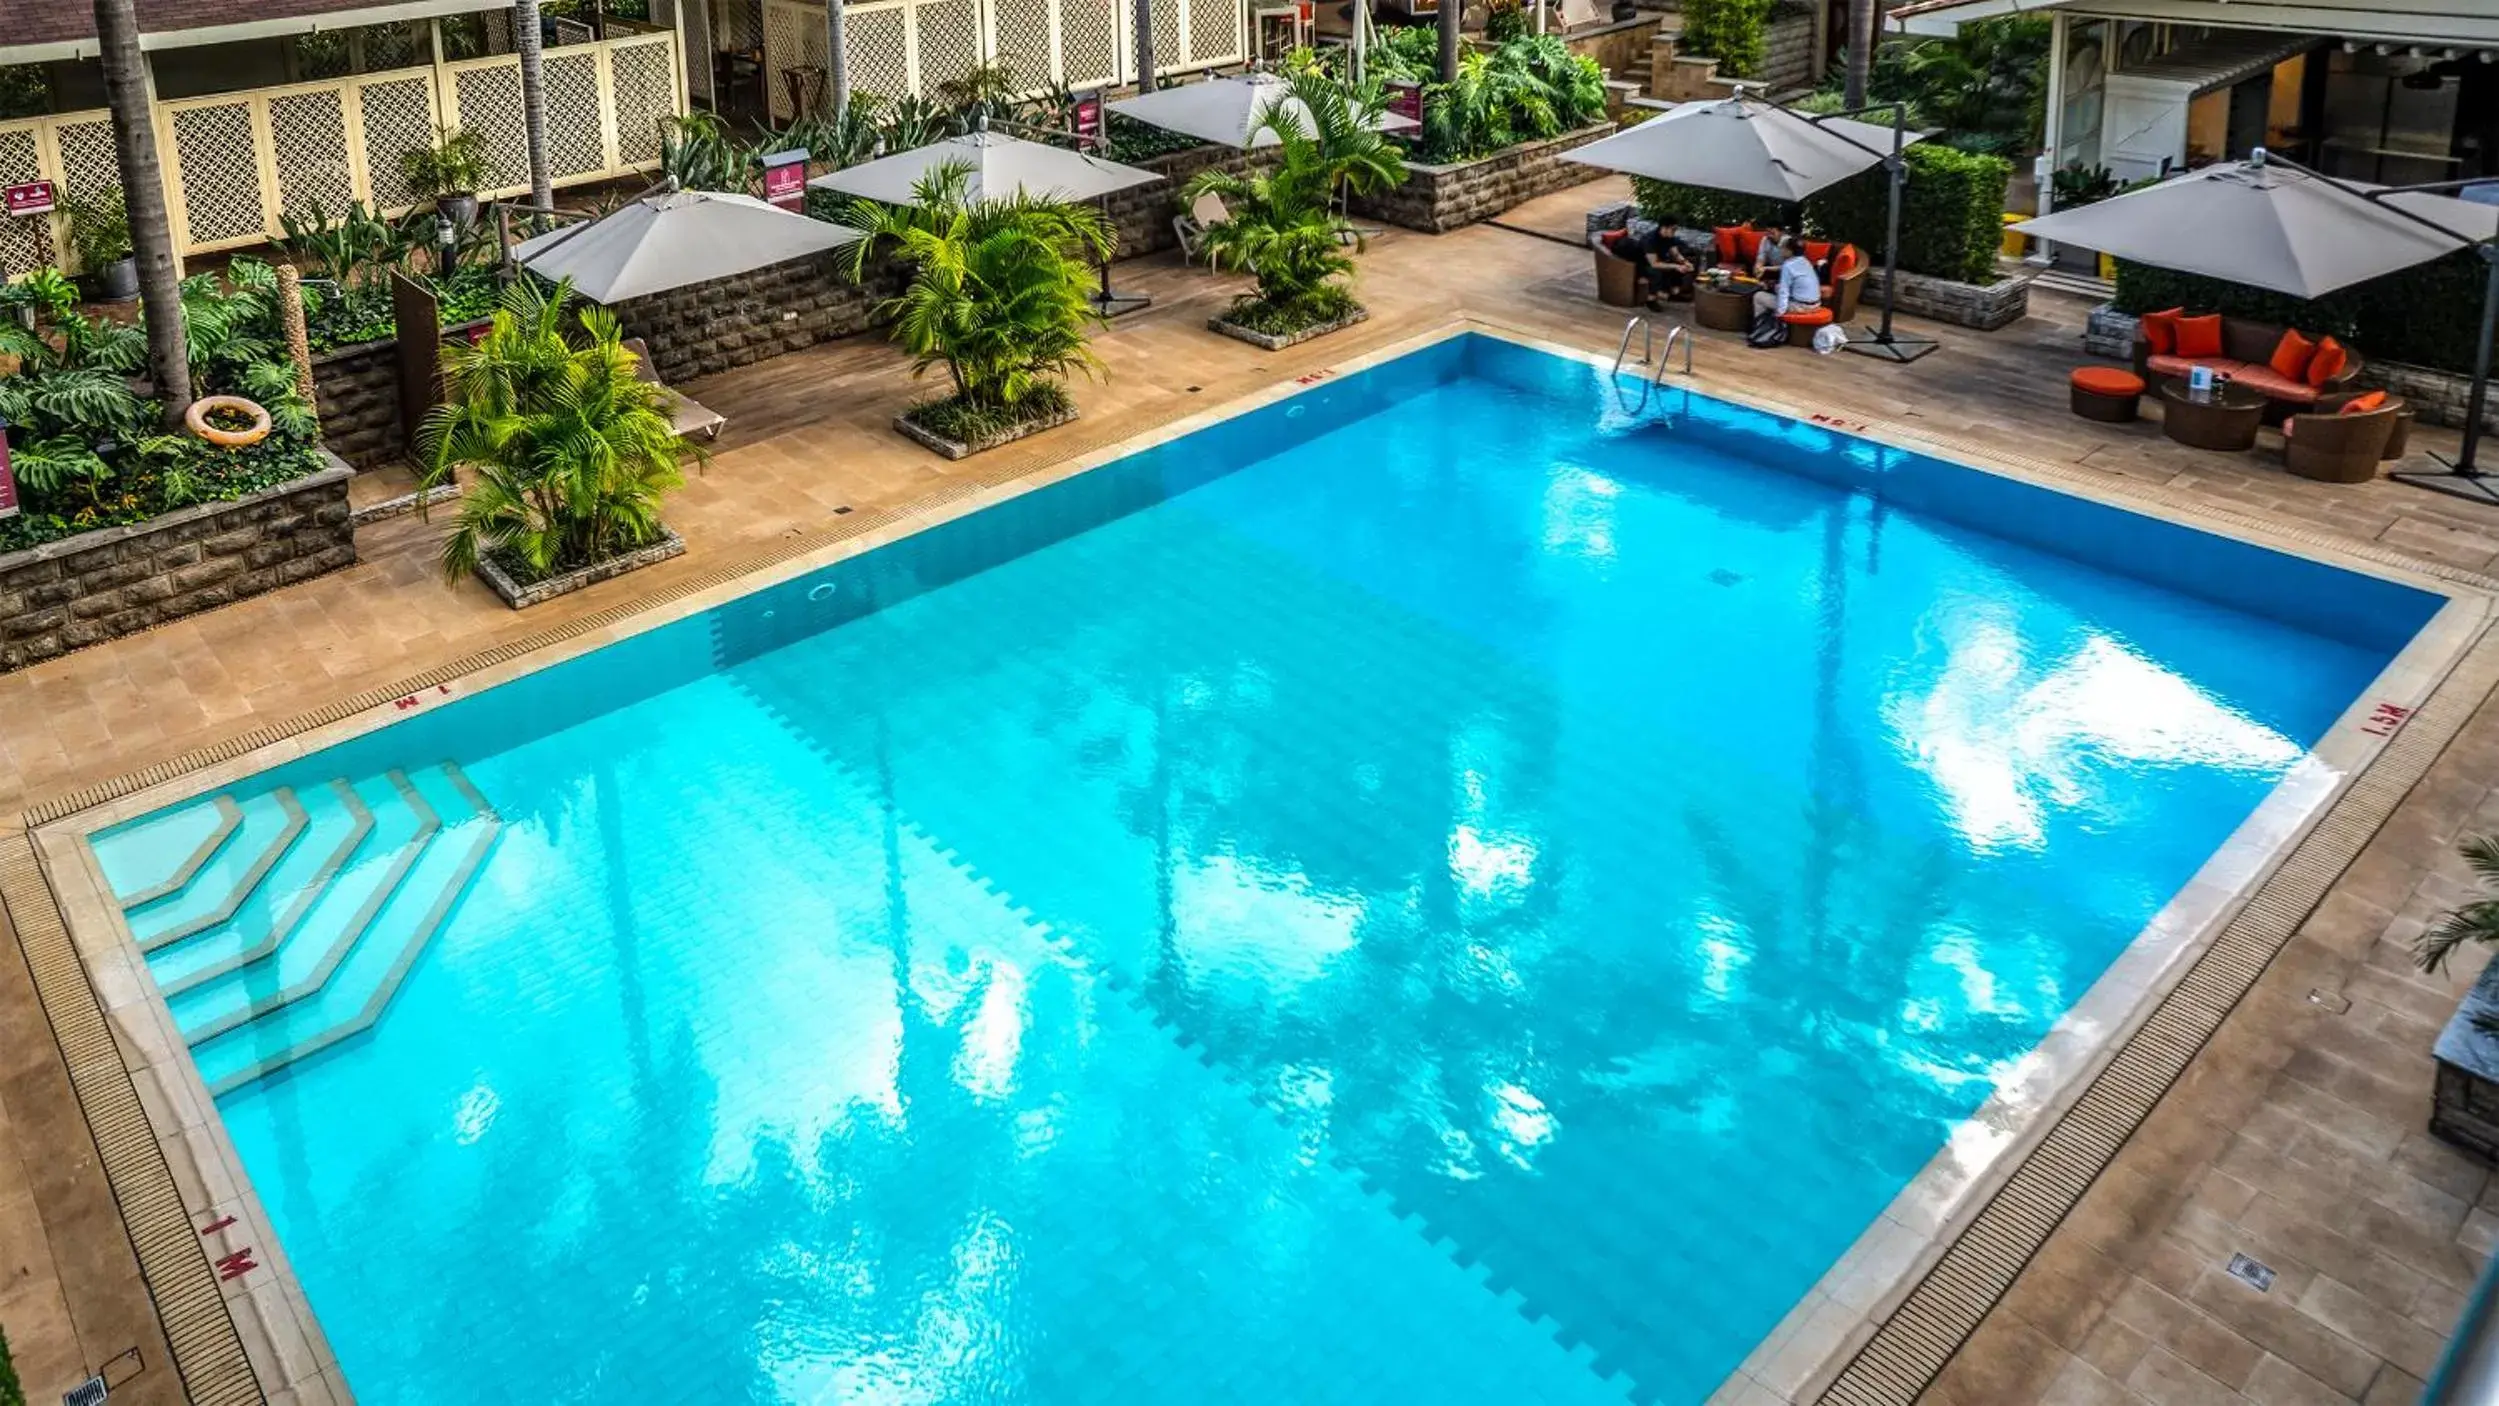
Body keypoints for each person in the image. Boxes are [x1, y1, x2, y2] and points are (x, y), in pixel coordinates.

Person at [1752, 237, 1822, 321]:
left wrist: (1780, 313)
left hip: (1801, 307)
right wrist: (1766, 268)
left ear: (1790, 251)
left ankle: (1761, 327)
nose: (1780, 250)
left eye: (1783, 247)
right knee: (1776, 287)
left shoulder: (1788, 266)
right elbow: (1784, 269)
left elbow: (1783, 291)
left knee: (1759, 296)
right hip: (1816, 305)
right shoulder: (1804, 260)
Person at [1639, 218, 1696, 306]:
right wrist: (1675, 266)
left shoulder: (1669, 237)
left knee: (1683, 263)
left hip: (1661, 260)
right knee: (1655, 272)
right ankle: (1651, 299)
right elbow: (1654, 264)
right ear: (1664, 228)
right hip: (1645, 264)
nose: (1675, 231)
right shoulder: (1650, 240)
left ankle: (1674, 292)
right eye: (1673, 229)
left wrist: (1685, 262)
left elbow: (1676, 254)